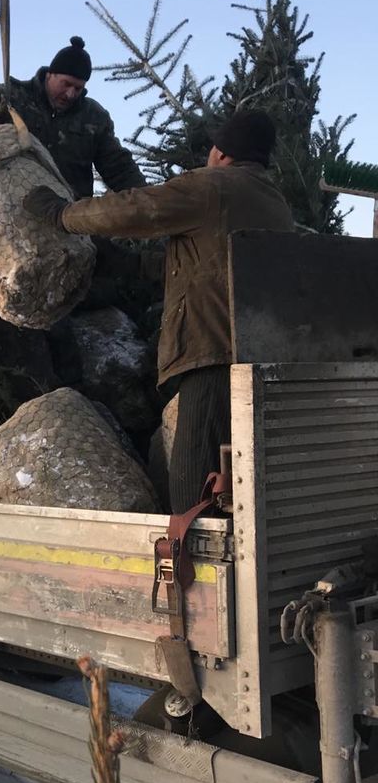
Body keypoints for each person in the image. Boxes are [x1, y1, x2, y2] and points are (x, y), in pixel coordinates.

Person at [24, 109, 294, 512]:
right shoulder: (273, 202)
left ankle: (196, 572)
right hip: (255, 358)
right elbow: (217, 264)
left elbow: (137, 207)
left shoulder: (213, 186)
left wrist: (62, 215)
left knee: (194, 496)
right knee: (234, 489)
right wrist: (136, 267)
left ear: (220, 152)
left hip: (212, 357)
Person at [0, 36, 145, 200]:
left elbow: (118, 166)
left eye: (78, 88)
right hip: (11, 205)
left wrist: (150, 200)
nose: (71, 93)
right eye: (67, 84)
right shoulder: (12, 96)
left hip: (72, 217)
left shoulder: (94, 118)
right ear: (50, 74)